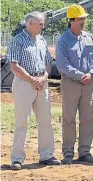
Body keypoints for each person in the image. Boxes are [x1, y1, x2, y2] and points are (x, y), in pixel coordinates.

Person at [8, 11, 61, 170]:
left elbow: (48, 63)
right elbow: (14, 66)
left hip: (41, 83)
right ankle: (17, 158)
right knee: (22, 121)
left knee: (45, 120)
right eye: (40, 24)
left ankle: (46, 155)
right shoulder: (17, 40)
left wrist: (43, 77)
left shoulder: (42, 40)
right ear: (30, 23)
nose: (43, 26)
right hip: (25, 83)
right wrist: (32, 80)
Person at [56, 4, 93, 164]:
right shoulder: (63, 40)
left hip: (89, 84)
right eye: (80, 19)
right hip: (70, 84)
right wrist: (81, 75)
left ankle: (85, 152)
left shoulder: (90, 37)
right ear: (71, 20)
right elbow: (62, 64)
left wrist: (92, 73)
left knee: (87, 119)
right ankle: (68, 153)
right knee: (69, 119)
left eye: (83, 19)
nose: (83, 21)